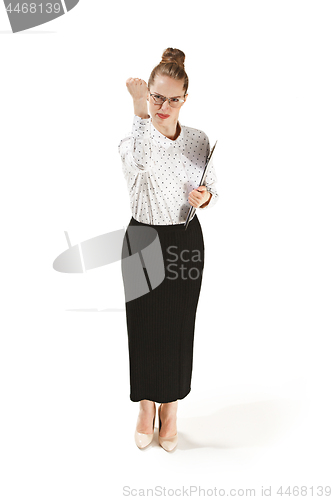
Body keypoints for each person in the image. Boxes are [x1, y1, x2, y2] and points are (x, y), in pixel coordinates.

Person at [118, 48, 219, 451]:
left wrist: (205, 196)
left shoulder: (198, 140)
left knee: (179, 325)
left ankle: (171, 407)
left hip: (185, 236)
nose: (163, 106)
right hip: (143, 238)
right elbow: (141, 163)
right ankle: (146, 406)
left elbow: (214, 186)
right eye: (156, 97)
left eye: (171, 98)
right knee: (144, 326)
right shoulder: (133, 137)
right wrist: (139, 108)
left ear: (184, 99)